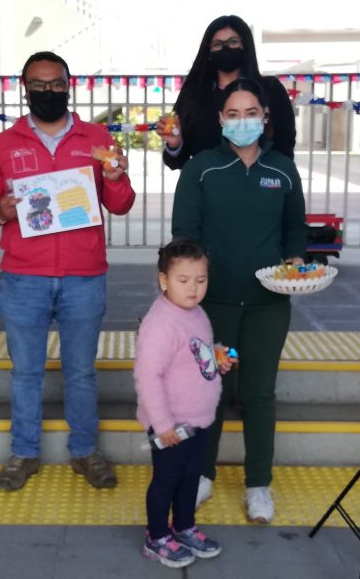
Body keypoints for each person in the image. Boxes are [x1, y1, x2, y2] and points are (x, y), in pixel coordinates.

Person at [0, 51, 136, 492]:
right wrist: (1, 209)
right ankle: (23, 453)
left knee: (81, 370)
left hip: (84, 274)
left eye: (56, 83)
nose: (48, 92)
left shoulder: (98, 138)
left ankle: (85, 451)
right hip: (23, 277)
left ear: (70, 85)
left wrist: (117, 176)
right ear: (24, 89)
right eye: (38, 85)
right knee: (25, 371)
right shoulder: (1, 146)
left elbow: (121, 204)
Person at [171, 77, 307, 523]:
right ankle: (202, 476)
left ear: (265, 118)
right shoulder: (202, 169)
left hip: (269, 303)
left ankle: (258, 485)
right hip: (212, 305)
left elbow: (294, 231)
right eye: (233, 113)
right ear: (220, 120)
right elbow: (184, 236)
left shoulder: (283, 169)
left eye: (251, 113)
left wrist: (295, 264)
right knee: (209, 391)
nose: (242, 121)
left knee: (259, 394)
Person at [134, 238, 228, 568]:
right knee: (166, 481)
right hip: (171, 423)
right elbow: (148, 377)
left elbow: (194, 355)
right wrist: (162, 426)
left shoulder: (197, 313)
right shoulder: (160, 324)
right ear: (164, 281)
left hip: (198, 418)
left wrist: (217, 359)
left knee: (191, 477)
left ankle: (184, 526)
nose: (193, 289)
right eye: (183, 281)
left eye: (201, 281)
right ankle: (156, 536)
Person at [158, 15, 296, 171]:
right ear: (208, 51)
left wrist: (273, 181)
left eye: (233, 42)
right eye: (217, 44)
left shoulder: (270, 89)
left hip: (259, 188)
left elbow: (285, 144)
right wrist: (175, 144)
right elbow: (177, 161)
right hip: (206, 187)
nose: (225, 48)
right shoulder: (194, 94)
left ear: (245, 46)